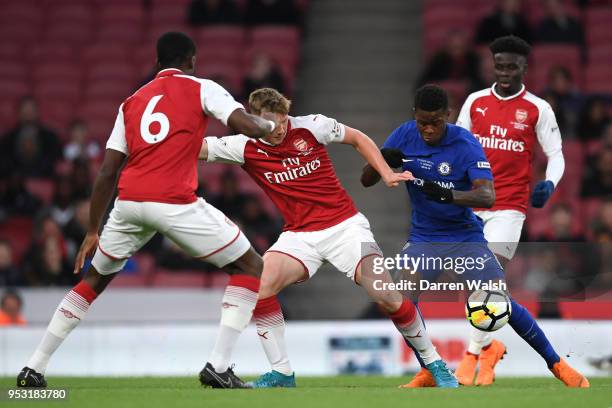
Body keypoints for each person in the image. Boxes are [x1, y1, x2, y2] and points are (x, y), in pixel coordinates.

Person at [16, 31, 279, 389]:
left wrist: (93, 229)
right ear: (192, 61)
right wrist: (269, 125)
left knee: (93, 281)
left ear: (157, 63)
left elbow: (108, 170)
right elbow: (243, 124)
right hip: (173, 202)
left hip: (128, 205)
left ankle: (34, 367)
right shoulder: (201, 87)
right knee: (251, 265)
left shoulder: (131, 102)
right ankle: (219, 365)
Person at [201, 87, 458, 388]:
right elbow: (192, 147)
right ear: (254, 122)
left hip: (345, 226)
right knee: (260, 286)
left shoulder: (311, 125)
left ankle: (436, 364)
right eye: (271, 124)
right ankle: (282, 372)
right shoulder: (241, 146)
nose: (280, 128)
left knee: (385, 295)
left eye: (283, 120)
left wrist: (386, 173)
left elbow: (358, 138)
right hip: (298, 235)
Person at [361, 84, 588, 388]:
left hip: (465, 237)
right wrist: (383, 161)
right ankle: (428, 369)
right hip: (423, 238)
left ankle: (557, 364)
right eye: (422, 122)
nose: (428, 129)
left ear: (448, 115)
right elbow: (366, 179)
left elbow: (487, 196)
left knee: (498, 302)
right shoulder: (403, 134)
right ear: (414, 116)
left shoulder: (464, 143)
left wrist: (446, 195)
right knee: (401, 300)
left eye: (435, 122)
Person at [454, 35, 568, 385]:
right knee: (478, 285)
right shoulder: (475, 102)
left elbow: (557, 155)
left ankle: (474, 353)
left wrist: (549, 184)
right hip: (473, 204)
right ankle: (490, 348)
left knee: (484, 277)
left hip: (509, 208)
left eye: (512, 66)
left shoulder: (538, 108)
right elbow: (457, 145)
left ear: (524, 68)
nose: (504, 72)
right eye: (499, 65)